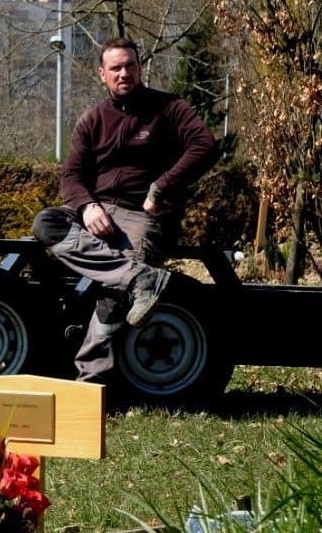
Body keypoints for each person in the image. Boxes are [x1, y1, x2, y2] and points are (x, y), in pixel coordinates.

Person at [32, 38, 218, 384]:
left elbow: (205, 145)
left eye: (130, 65)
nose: (124, 73)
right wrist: (87, 207)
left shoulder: (170, 109)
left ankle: (91, 379)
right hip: (96, 212)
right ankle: (138, 278)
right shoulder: (92, 120)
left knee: (112, 289)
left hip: (140, 216)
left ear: (140, 68)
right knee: (47, 222)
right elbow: (71, 175)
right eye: (115, 68)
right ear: (102, 74)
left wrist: (162, 188)